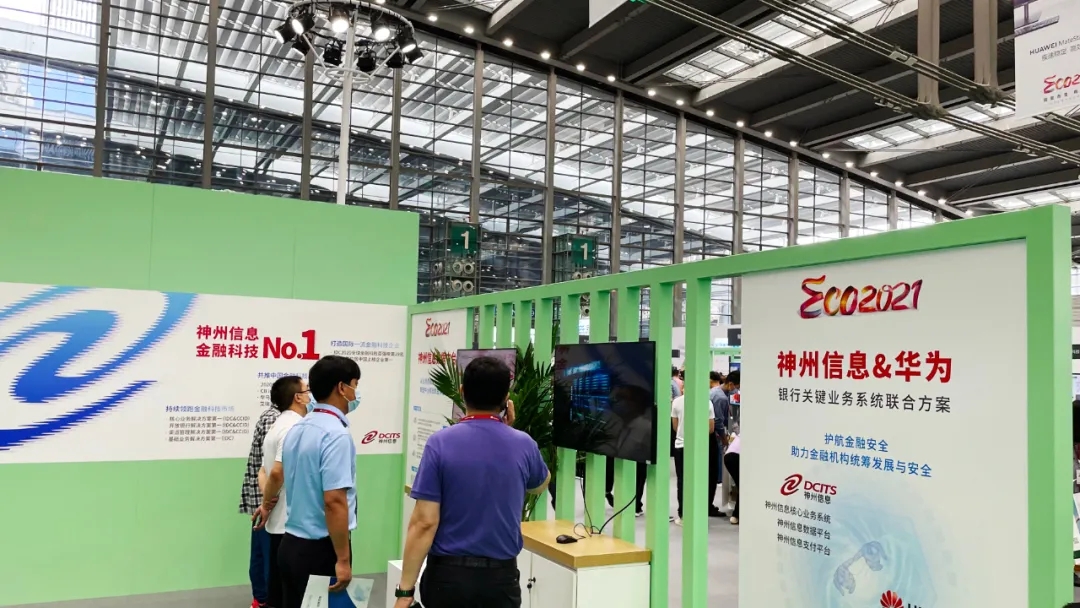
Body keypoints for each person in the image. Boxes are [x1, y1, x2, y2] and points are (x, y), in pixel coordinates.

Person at [395, 356, 550, 608]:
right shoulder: (523, 444)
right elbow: (540, 484)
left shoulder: (440, 443)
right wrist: (509, 431)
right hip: (500, 580)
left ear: (462, 391)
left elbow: (424, 522)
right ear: (506, 399)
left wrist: (405, 591)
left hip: (447, 579)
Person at [274, 355, 362, 608]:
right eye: (354, 385)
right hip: (321, 550)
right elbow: (334, 501)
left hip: (291, 544)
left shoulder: (298, 428)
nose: (356, 393)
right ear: (342, 388)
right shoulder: (336, 435)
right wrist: (343, 559)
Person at [251, 376, 312, 608]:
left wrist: (267, 501)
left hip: (280, 524)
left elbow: (263, 472)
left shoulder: (278, 425)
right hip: (291, 525)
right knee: (293, 595)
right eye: (307, 390)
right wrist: (266, 504)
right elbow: (277, 472)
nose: (311, 395)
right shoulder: (293, 427)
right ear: (298, 397)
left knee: (279, 593)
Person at [239, 391, 281, 608]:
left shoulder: (271, 417)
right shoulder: (276, 420)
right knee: (268, 557)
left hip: (266, 500)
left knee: (261, 555)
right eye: (305, 391)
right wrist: (268, 500)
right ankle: (265, 600)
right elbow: (272, 468)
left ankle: (261, 599)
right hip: (270, 502)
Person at [669, 389, 714, 526]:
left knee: (682, 480)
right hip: (699, 448)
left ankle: (683, 515)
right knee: (700, 480)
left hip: (681, 446)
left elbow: (675, 426)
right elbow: (711, 428)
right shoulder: (706, 402)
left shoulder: (676, 402)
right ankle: (699, 514)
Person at [724, 432, 740, 525]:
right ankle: (736, 515)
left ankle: (736, 515)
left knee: (741, 485)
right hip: (736, 456)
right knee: (743, 486)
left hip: (728, 456)